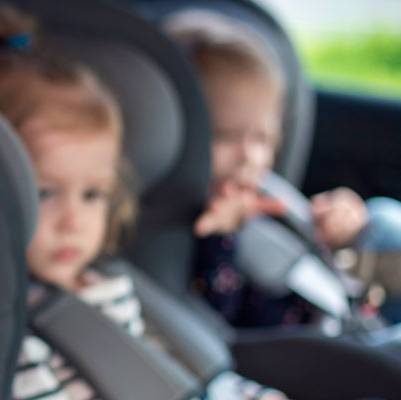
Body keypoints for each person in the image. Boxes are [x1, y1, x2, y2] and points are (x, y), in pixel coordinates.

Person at [0, 6, 285, 399]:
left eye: (92, 195)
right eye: (45, 194)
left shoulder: (110, 283)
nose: (72, 221)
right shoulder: (17, 336)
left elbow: (166, 374)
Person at [165, 10, 401, 328]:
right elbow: (218, 321)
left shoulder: (266, 192)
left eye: (262, 137)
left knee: (381, 220)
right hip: (308, 350)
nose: (249, 155)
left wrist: (333, 226)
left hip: (350, 310)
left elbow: (307, 249)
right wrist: (222, 237)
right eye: (225, 136)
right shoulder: (194, 229)